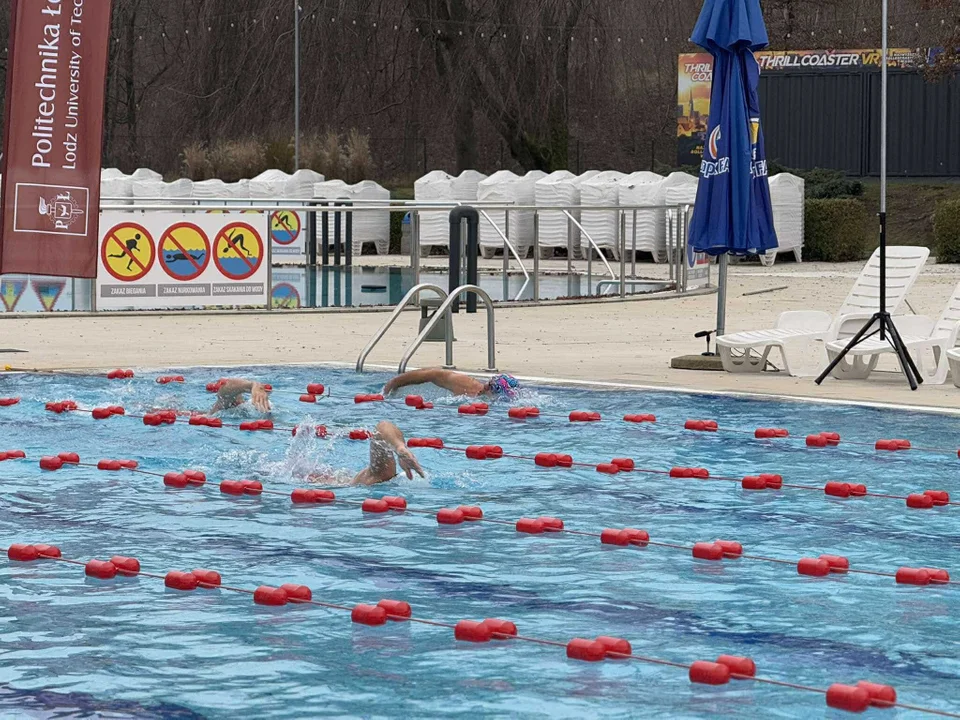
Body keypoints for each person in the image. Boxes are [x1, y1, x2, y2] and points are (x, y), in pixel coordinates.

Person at [349, 420, 424, 485]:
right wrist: (399, 447)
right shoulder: (354, 481)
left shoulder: (353, 481)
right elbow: (382, 427)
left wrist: (400, 448)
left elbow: (383, 426)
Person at [383, 368, 521, 400]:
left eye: (489, 386)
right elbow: (433, 373)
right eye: (488, 384)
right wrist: (395, 382)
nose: (485, 386)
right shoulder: (467, 386)